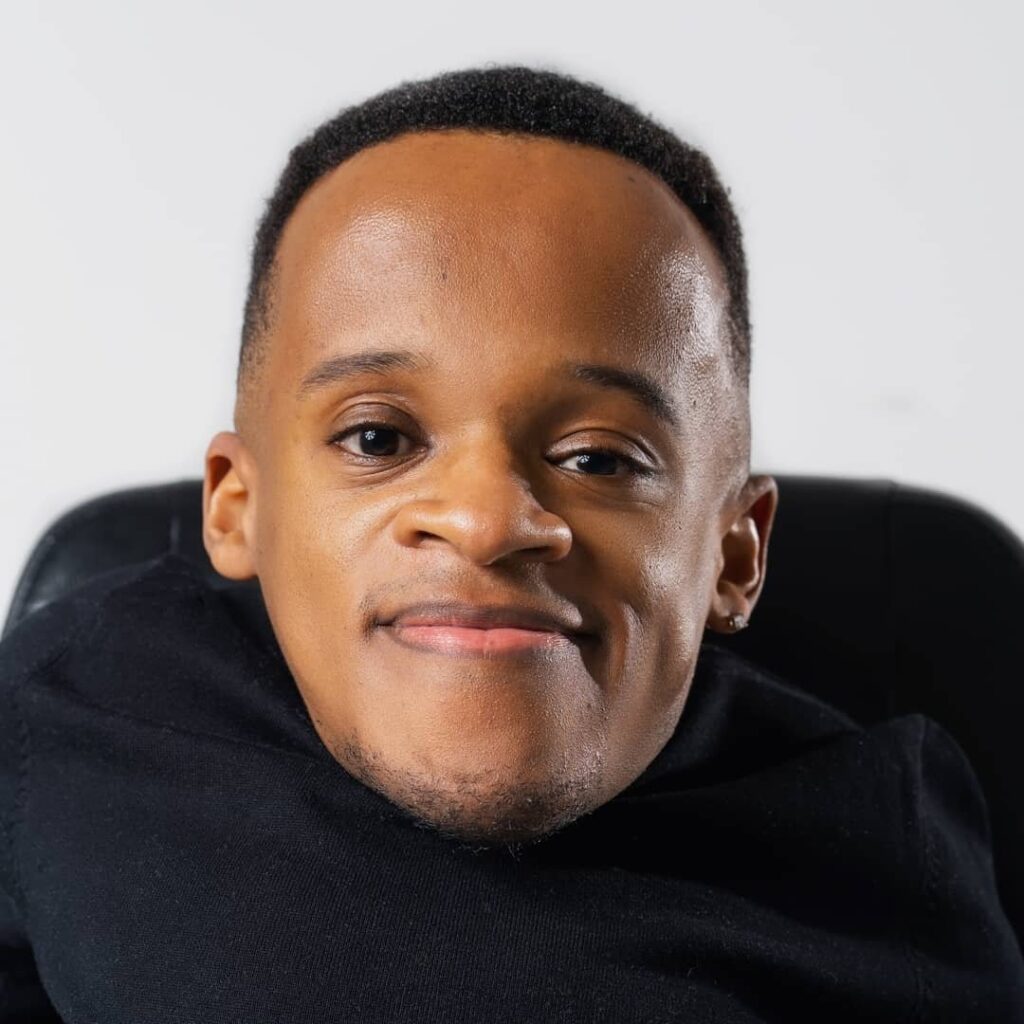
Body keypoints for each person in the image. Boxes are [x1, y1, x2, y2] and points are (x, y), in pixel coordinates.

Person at [1, 65, 1022, 1023]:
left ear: (734, 554)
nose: (486, 523)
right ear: (236, 505)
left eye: (600, 458)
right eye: (377, 439)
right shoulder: (73, 710)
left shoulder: (886, 866)